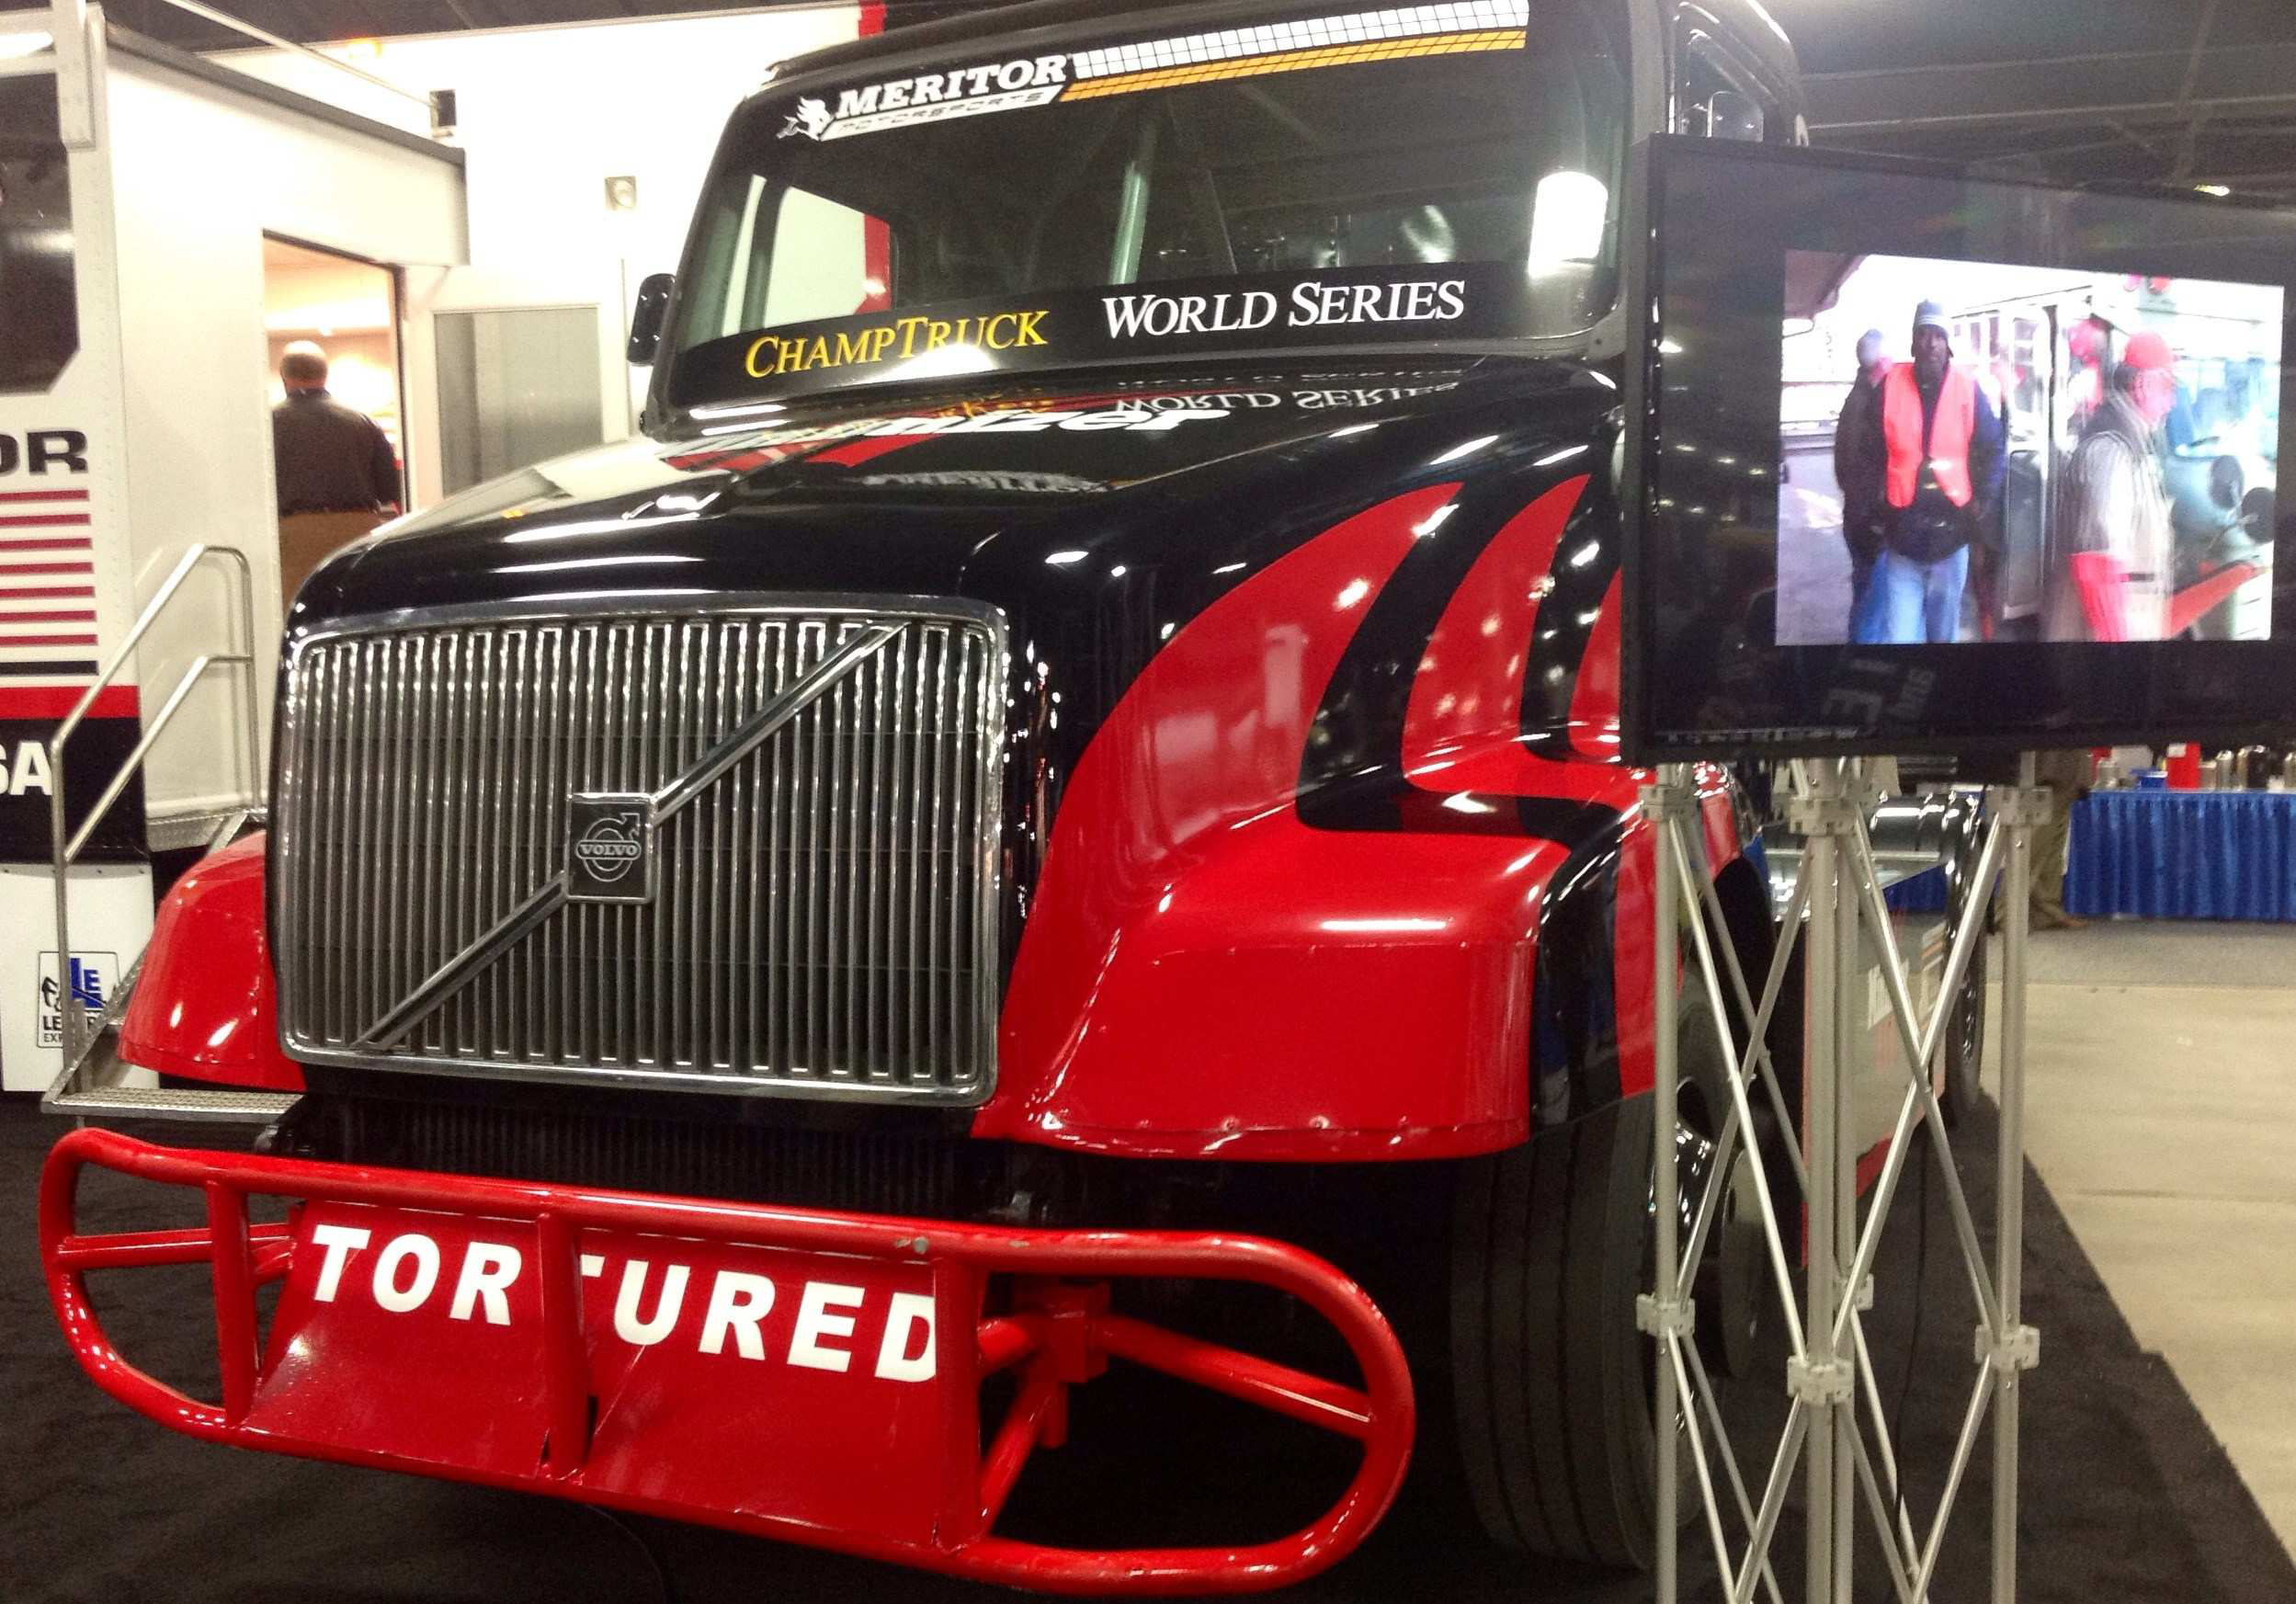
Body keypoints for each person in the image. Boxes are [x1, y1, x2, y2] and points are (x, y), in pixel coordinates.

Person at [1851, 301, 2006, 644]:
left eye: (1937, 335)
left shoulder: (1967, 387)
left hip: (1950, 545)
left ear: (1947, 343)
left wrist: (1981, 502)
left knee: (1942, 639)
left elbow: (1995, 447)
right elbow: (1867, 456)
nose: (1930, 343)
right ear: (1912, 342)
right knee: (1898, 639)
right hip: (1901, 544)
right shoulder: (1890, 385)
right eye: (1923, 334)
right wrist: (1869, 514)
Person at [2042, 331, 2177, 643]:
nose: (2171, 403)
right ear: (2143, 385)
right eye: (2168, 388)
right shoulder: (2112, 451)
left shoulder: (2132, 444)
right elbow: (2097, 567)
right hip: (2104, 642)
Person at [272, 340, 401, 607]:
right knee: (356, 605)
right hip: (357, 530)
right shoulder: (361, 420)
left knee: (298, 609)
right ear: (324, 375)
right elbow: (389, 488)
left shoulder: (269, 422)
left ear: (284, 376)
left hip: (295, 533)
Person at [1831, 328, 1888, 639]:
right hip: (1868, 523)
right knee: (1871, 608)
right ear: (1880, 365)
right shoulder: (1867, 408)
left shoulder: (1856, 399)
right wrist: (1877, 517)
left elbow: (1843, 470)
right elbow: (1859, 470)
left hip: (1857, 517)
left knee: (1864, 593)